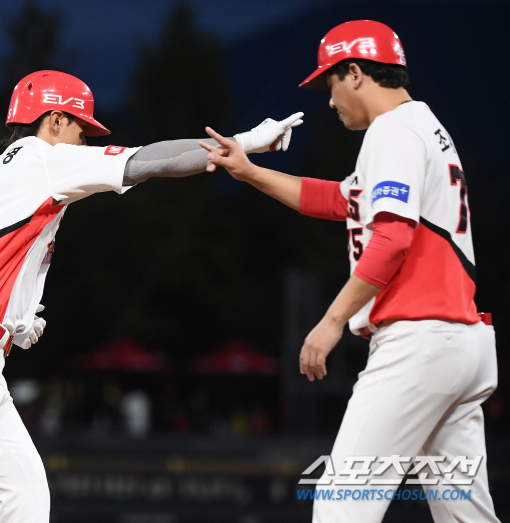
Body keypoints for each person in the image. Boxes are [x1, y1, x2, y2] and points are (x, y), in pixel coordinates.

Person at [0, 70, 302, 523]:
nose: (85, 139)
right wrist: (241, 144)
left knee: (26, 495)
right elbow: (151, 160)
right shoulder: (45, 160)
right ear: (55, 119)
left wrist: (8, 311)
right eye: (81, 128)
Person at [200, 20, 499, 523]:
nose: (330, 99)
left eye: (331, 82)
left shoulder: (393, 130)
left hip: (417, 342)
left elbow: (392, 238)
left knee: (341, 504)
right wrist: (249, 169)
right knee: (466, 517)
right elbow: (339, 200)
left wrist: (333, 320)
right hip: (460, 344)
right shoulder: (422, 125)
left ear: (356, 73)